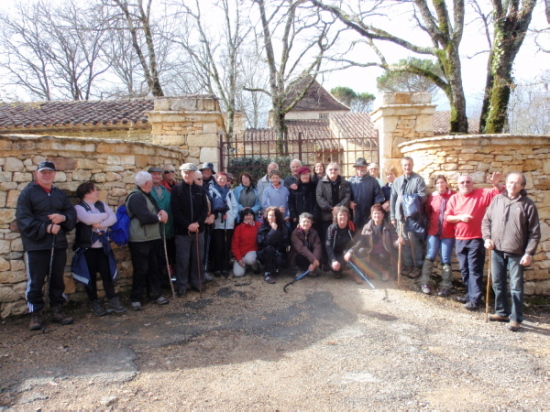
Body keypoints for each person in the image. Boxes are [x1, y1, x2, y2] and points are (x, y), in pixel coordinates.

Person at [16, 161, 77, 330]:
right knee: (36, 281)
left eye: (50, 172)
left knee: (57, 279)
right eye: (43, 172)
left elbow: (71, 213)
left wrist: (63, 218)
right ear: (37, 173)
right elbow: (23, 219)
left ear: (54, 174)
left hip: (58, 244)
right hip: (37, 245)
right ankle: (36, 313)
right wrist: (46, 227)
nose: (46, 175)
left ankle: (57, 310)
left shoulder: (59, 194)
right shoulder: (28, 193)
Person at [482, 172, 540, 331]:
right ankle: (501, 312)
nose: (512, 185)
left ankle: (516, 318)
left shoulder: (527, 204)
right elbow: (486, 221)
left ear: (522, 186)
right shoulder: (497, 199)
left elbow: (534, 233)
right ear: (506, 183)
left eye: (516, 183)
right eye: (510, 182)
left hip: (517, 252)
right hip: (497, 249)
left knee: (516, 286)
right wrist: (487, 238)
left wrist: (529, 253)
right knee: (497, 283)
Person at [445, 172, 503, 311]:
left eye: (467, 182)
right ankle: (469, 294)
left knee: (475, 270)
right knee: (464, 270)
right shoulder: (454, 198)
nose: (465, 184)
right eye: (462, 182)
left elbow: (500, 193)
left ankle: (475, 300)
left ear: (473, 183)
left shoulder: (481, 193)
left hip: (476, 239)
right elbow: (448, 217)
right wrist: (460, 218)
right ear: (458, 185)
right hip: (460, 239)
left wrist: (496, 183)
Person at [73, 182, 127, 316]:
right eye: (95, 190)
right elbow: (87, 218)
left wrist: (99, 224)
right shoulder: (78, 208)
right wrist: (104, 216)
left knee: (106, 274)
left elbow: (113, 218)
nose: (97, 192)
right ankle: (94, 303)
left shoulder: (101, 204)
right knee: (89, 276)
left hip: (102, 247)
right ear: (86, 193)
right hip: (87, 248)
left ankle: (113, 300)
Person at [126, 171, 170, 310]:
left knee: (154, 267)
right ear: (146, 183)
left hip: (152, 236)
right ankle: (136, 298)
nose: (153, 182)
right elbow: (144, 217)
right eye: (151, 180)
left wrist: (161, 212)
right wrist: (159, 218)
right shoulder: (136, 197)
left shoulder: (146, 194)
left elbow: (155, 210)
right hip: (140, 239)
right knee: (141, 269)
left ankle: (155, 294)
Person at [171, 163, 209, 297]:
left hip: (199, 231)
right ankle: (182, 285)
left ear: (194, 174)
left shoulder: (200, 190)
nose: (188, 175)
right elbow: (176, 211)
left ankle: (197, 282)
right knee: (183, 259)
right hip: (183, 232)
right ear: (181, 174)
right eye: (185, 173)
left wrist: (197, 223)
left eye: (190, 173)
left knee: (198, 258)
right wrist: (188, 225)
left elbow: (205, 209)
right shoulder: (177, 190)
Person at [345, 204, 404, 282]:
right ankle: (364, 272)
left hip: (384, 252)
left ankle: (385, 271)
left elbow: (394, 242)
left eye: (379, 213)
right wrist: (351, 251)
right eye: (375, 213)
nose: (377, 215)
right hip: (371, 252)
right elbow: (361, 241)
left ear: (383, 215)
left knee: (383, 256)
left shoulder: (389, 227)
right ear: (371, 215)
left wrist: (399, 242)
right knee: (360, 251)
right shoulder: (367, 227)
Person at [419, 175, 456, 296]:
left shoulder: (453, 195)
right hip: (433, 232)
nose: (440, 185)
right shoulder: (433, 197)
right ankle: (424, 282)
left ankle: (446, 286)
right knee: (430, 256)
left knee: (446, 259)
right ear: (435, 185)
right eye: (438, 183)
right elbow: (428, 211)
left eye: (442, 182)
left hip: (448, 232)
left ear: (446, 183)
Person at [390, 157, 427, 278]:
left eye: (409, 165)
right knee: (404, 242)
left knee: (414, 243)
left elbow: (423, 197)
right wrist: (393, 216)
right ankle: (408, 265)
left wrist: (406, 200)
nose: (407, 167)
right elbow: (393, 199)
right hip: (400, 218)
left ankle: (417, 267)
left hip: (413, 218)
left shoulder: (418, 180)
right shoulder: (397, 181)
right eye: (405, 165)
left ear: (413, 165)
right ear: (402, 166)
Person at [316, 162, 351, 268]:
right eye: (330, 169)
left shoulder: (344, 182)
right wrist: (330, 208)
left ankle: (341, 262)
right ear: (327, 171)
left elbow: (347, 195)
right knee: (327, 240)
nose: (333, 171)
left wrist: (339, 208)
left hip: (341, 216)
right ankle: (327, 262)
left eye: (335, 169)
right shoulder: (322, 182)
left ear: (338, 171)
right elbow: (319, 196)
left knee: (340, 240)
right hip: (327, 215)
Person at [149, 166, 175, 288]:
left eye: (159, 174)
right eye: (154, 174)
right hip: (153, 231)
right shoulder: (147, 191)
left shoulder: (165, 191)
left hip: (167, 229)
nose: (157, 176)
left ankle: (167, 279)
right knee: (155, 259)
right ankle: (157, 283)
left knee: (168, 255)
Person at [209, 171, 238, 276]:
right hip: (217, 223)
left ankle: (225, 267)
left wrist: (232, 217)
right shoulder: (212, 191)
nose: (222, 181)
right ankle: (217, 267)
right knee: (218, 246)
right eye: (220, 179)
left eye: (224, 179)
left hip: (228, 223)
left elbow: (234, 206)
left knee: (226, 246)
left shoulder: (230, 192)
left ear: (227, 181)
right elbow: (211, 206)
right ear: (216, 180)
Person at [349, 158, 384, 229]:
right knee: (356, 234)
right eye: (361, 167)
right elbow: (346, 195)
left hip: (369, 213)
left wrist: (375, 209)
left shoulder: (373, 181)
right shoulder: (351, 181)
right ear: (357, 168)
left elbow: (378, 196)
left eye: (364, 167)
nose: (363, 169)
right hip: (356, 213)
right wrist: (349, 203)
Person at [257, 206, 289, 284]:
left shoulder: (282, 227)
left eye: (273, 215)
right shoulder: (263, 227)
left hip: (279, 251)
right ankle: (267, 273)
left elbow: (285, 241)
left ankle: (277, 266)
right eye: (270, 215)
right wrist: (273, 231)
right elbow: (264, 242)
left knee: (279, 258)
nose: (271, 217)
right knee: (269, 248)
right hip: (265, 253)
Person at [325, 206, 356, 279]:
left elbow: (358, 242)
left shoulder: (352, 226)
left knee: (361, 252)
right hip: (336, 253)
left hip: (348, 252)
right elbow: (328, 246)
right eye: (340, 215)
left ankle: (355, 273)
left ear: (348, 216)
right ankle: (340, 270)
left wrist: (350, 251)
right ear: (336, 216)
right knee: (336, 267)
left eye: (345, 214)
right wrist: (333, 260)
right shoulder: (331, 229)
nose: (343, 217)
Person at [231, 208, 262, 277]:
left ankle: (256, 268)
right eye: (246, 215)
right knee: (238, 274)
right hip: (241, 255)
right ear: (243, 217)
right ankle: (246, 266)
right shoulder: (238, 228)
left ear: (253, 216)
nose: (249, 217)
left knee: (250, 259)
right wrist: (239, 259)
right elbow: (235, 245)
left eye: (250, 215)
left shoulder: (259, 226)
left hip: (253, 252)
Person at [290, 212, 322, 277]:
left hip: (311, 257)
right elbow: (301, 248)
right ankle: (301, 269)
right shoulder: (295, 233)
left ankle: (312, 268)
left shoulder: (314, 233)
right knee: (300, 256)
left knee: (316, 252)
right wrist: (313, 260)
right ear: (300, 223)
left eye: (308, 222)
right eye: (304, 221)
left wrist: (314, 262)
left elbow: (317, 247)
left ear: (311, 223)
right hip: (299, 255)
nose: (306, 223)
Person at [288, 166, 319, 231]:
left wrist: (315, 216)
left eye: (307, 174)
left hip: (312, 218)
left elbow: (317, 202)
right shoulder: (295, 188)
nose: (305, 176)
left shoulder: (315, 187)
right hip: (298, 218)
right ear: (299, 176)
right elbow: (291, 202)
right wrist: (293, 215)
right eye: (303, 175)